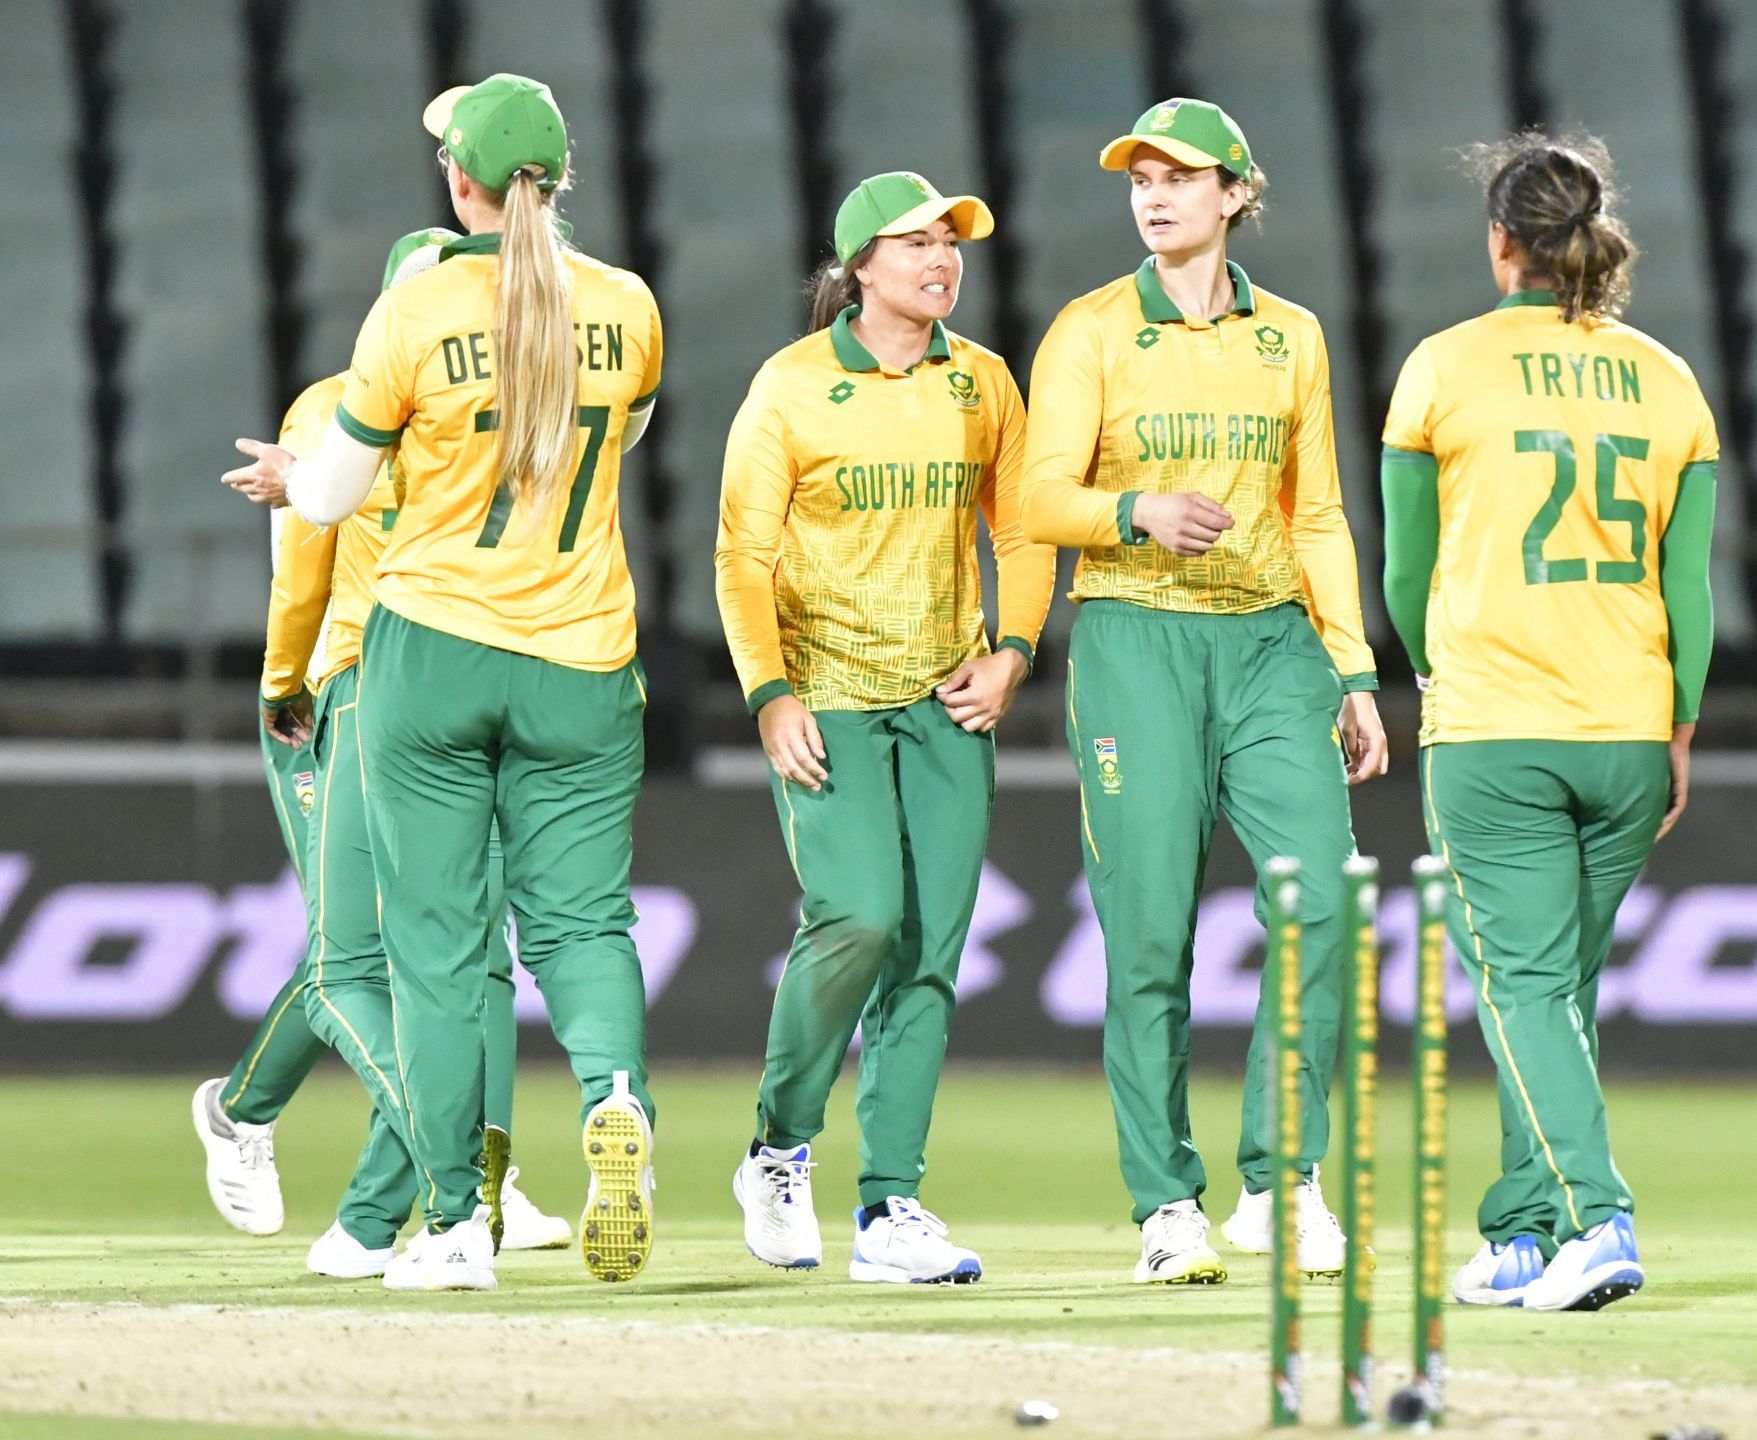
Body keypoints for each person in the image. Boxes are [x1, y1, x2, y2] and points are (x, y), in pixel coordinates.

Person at [222, 74, 663, 1290]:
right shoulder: (630, 306)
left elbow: (325, 499)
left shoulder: (411, 313)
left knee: (437, 948)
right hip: (583, 652)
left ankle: (458, 1221)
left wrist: (300, 472)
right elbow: (614, 434)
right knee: (584, 925)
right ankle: (618, 1101)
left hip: (431, 651)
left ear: (458, 180)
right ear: (559, 180)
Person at [1021, 99, 1386, 1285]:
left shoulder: (1293, 336)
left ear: (1236, 193)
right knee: (1149, 930)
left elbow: (1319, 511)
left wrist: (1354, 666)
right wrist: (1136, 513)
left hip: (1275, 645)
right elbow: (1036, 504)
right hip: (1135, 639)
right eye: (1140, 175)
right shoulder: (1089, 331)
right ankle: (1167, 1205)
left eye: (1181, 176)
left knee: (1323, 905)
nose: (1154, 192)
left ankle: (1284, 1185)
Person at [1379, 132, 1716, 1312]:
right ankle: (1521, 1229)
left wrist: (1436, 671)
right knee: (1558, 998)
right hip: (1628, 727)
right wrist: (1676, 730)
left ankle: (1598, 1217)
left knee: (1521, 987)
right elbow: (1692, 593)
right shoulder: (1671, 378)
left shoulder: (1444, 367)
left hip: (1497, 726)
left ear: (1503, 243)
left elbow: (1406, 571)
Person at [193, 229, 572, 1275]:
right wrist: (283, 685)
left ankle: (416, 1194)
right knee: (348, 956)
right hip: (342, 692)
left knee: (457, 953)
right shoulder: (332, 410)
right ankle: (296, 1131)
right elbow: (301, 571)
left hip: (447, 693)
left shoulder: (496, 411)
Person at [715, 172, 1053, 1283]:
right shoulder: (792, 388)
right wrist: (770, 694)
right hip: (828, 698)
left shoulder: (983, 383)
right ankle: (777, 1148)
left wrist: (1015, 651)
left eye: (951, 242)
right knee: (858, 918)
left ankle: (889, 1209)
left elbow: (1032, 530)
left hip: (947, 703)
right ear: (859, 265)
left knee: (930, 955)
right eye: (915, 244)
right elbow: (742, 558)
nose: (942, 259)